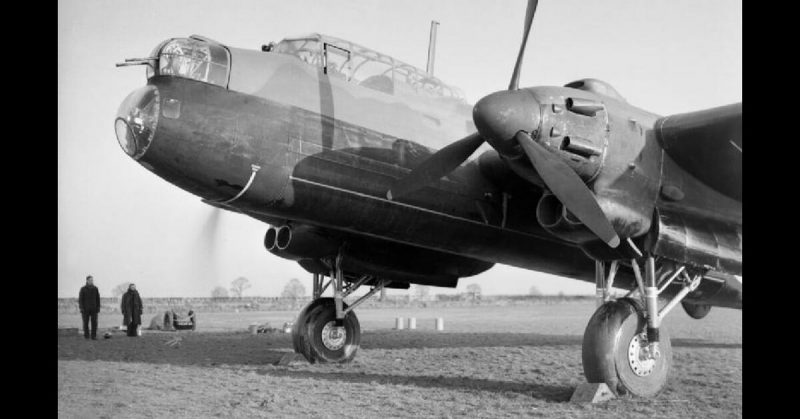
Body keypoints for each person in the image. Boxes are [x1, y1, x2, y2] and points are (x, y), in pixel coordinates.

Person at [78, 275, 101, 340]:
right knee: (85, 323)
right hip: (85, 309)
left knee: (94, 323)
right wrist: (81, 308)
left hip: (94, 309)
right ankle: (86, 336)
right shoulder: (83, 289)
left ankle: (93, 336)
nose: (91, 281)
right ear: (87, 281)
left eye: (92, 280)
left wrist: (98, 307)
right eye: (90, 280)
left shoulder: (95, 288)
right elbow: (80, 299)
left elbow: (98, 299)